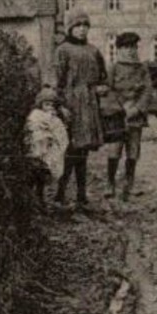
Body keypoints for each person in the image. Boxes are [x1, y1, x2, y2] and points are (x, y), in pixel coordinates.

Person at [54, 11, 107, 211]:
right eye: (78, 25)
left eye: (86, 26)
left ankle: (81, 195)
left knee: (82, 151)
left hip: (89, 105)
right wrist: (60, 106)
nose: (82, 29)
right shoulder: (62, 50)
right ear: (70, 28)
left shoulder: (93, 51)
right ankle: (61, 191)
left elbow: (103, 77)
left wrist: (102, 87)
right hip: (70, 106)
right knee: (70, 150)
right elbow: (56, 81)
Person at [105, 31, 150, 201]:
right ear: (119, 49)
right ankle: (110, 184)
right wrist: (121, 108)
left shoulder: (142, 68)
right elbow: (108, 90)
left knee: (133, 151)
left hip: (136, 117)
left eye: (133, 47)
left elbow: (147, 91)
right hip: (117, 116)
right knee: (114, 150)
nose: (130, 51)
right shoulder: (113, 68)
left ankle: (129, 186)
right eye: (126, 47)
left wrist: (137, 108)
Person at [24, 85, 68, 208]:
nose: (49, 107)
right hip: (38, 150)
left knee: (48, 176)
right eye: (46, 104)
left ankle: (45, 201)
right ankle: (33, 201)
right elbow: (33, 127)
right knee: (35, 174)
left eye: (52, 105)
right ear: (40, 104)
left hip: (49, 151)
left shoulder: (56, 118)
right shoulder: (35, 115)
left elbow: (60, 132)